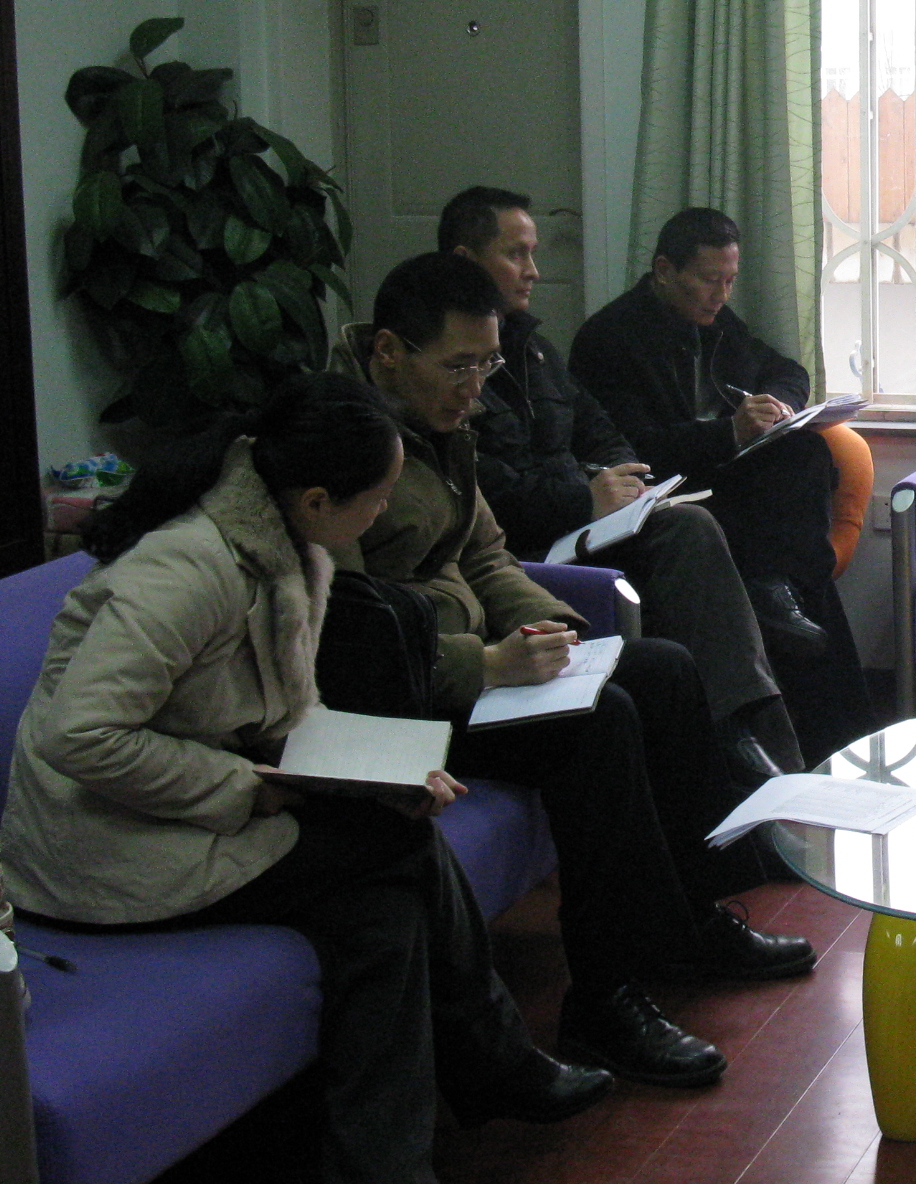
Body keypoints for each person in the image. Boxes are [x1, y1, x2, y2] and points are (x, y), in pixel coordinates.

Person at [0, 373, 611, 1184]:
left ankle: (414, 1138)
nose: (383, 515)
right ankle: (485, 1071)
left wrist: (379, 770)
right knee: (392, 853)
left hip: (173, 808)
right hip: (98, 844)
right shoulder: (185, 571)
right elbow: (82, 738)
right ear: (319, 499)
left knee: (383, 903)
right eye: (378, 498)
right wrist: (249, 787)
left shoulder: (289, 545)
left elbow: (287, 708)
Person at [332, 252, 816, 1091]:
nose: (475, 390)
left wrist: (551, 622)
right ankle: (604, 997)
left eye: (487, 367)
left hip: (481, 665)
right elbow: (346, 637)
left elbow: (486, 556)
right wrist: (485, 663)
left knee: (663, 670)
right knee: (602, 720)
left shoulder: (441, 430)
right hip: (405, 700)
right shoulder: (339, 451)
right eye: (458, 367)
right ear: (387, 352)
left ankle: (694, 920)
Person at [438, 185, 805, 775]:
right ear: (464, 262)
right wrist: (583, 498)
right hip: (540, 541)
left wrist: (620, 479)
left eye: (533, 254)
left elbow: (602, 430)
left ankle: (761, 731)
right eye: (516, 254)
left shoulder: (534, 350)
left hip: (590, 520)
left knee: (764, 479)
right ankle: (748, 741)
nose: (534, 271)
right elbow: (490, 489)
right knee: (693, 530)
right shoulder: (451, 371)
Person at [570, 207, 872, 762]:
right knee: (795, 571)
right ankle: (824, 729)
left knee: (804, 452)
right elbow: (635, 449)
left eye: (730, 280)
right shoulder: (609, 340)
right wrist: (726, 433)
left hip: (724, 476)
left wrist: (779, 405)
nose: (721, 295)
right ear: (664, 270)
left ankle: (784, 603)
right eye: (710, 279)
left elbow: (788, 370)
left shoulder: (717, 324)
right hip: (666, 492)